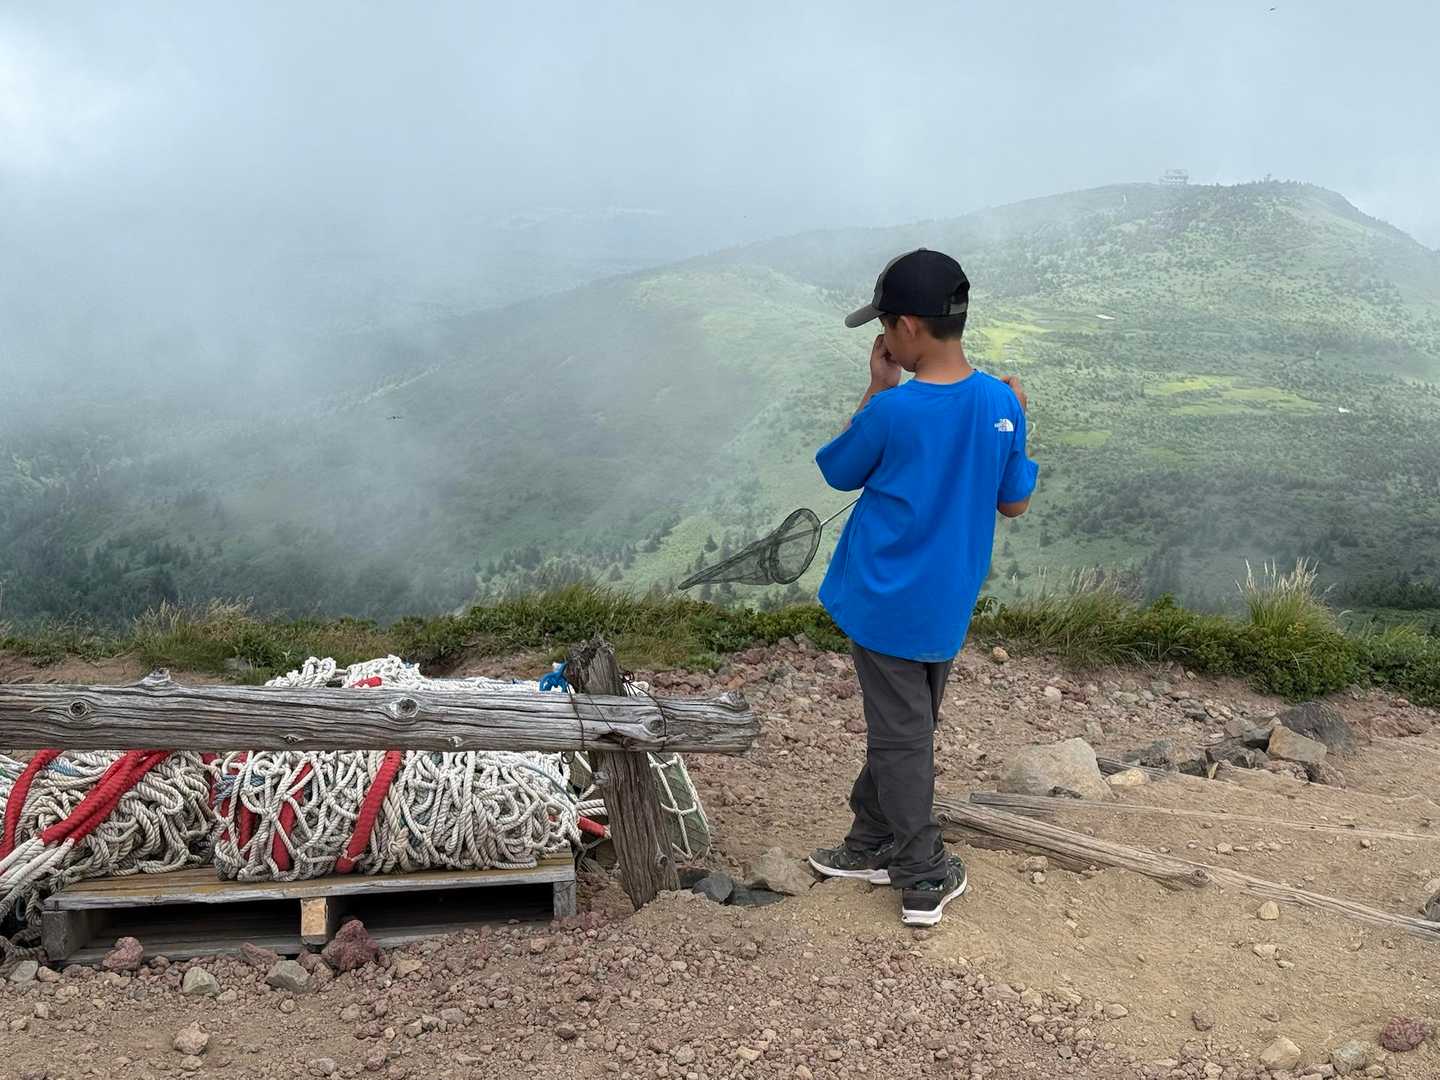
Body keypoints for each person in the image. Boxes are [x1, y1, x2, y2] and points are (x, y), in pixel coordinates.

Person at [807, 248, 1038, 926]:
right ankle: (869, 840)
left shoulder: (894, 411)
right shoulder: (1001, 400)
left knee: (904, 734)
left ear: (906, 327)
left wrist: (876, 389)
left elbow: (838, 471)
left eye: (884, 324)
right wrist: (1019, 420)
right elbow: (1014, 502)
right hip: (946, 601)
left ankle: (920, 873)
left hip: (884, 600)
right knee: (907, 728)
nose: (883, 337)